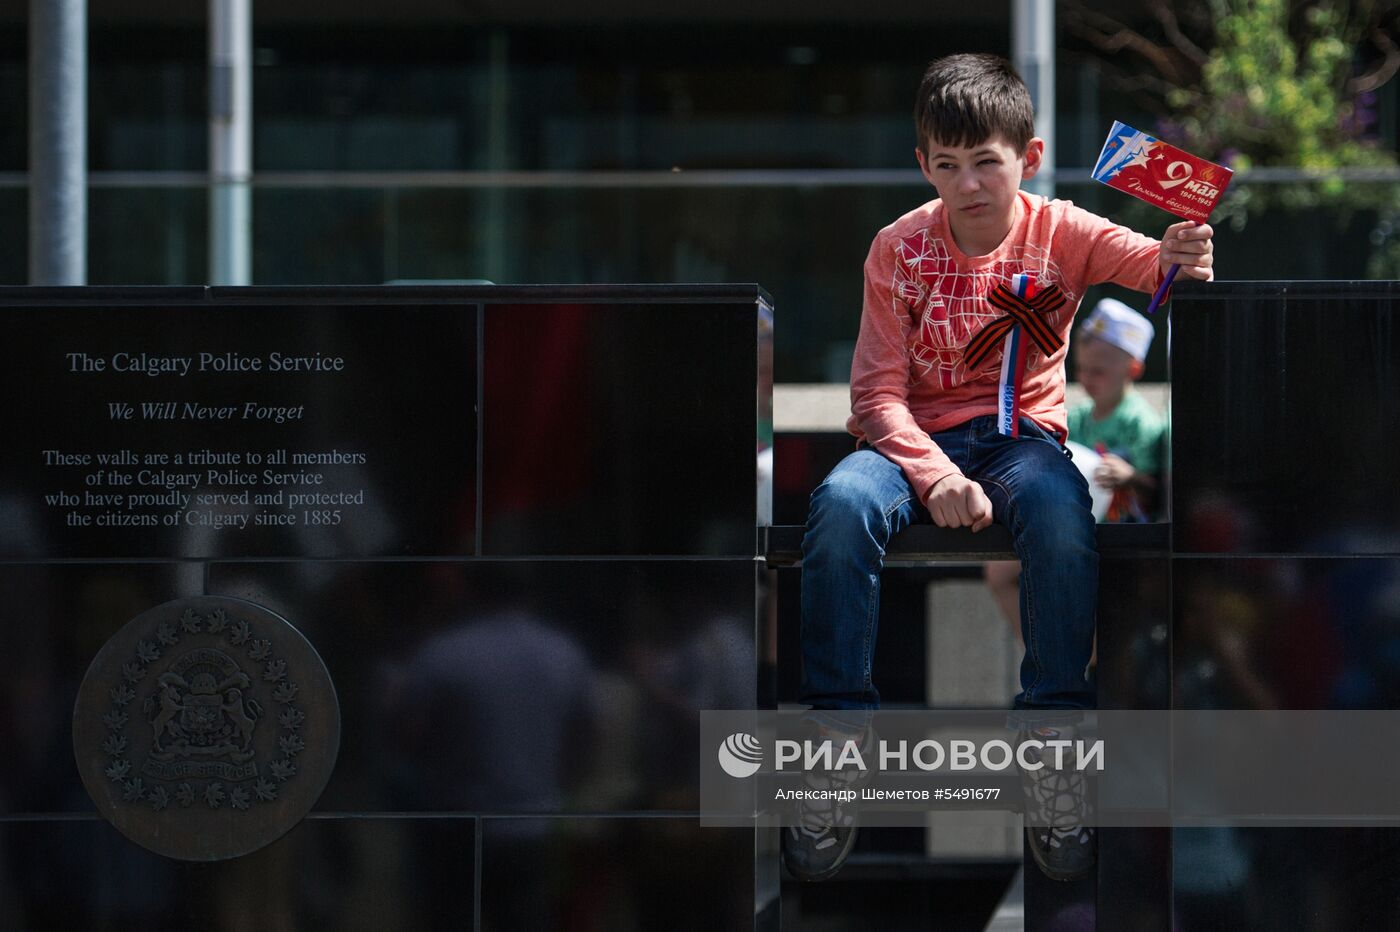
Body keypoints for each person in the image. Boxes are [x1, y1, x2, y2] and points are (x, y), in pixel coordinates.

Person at [783, 52, 1213, 884]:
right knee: (837, 507)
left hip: (1023, 443)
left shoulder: (1064, 230)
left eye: (986, 161)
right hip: (912, 443)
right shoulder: (897, 249)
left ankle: (1055, 749)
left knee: (1060, 515)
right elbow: (873, 395)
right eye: (947, 165)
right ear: (923, 164)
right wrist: (935, 475)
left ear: (1030, 156)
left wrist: (1185, 248)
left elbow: (1161, 264)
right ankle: (835, 749)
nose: (968, 184)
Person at [984, 297, 1166, 652]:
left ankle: (1079, 662)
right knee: (999, 572)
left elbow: (1155, 491)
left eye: (1099, 371)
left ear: (1132, 369)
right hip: (1076, 530)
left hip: (1120, 540)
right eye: (1081, 369)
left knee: (1110, 631)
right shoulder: (1076, 417)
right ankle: (1044, 653)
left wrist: (1129, 476)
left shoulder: (1141, 422)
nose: (1087, 379)